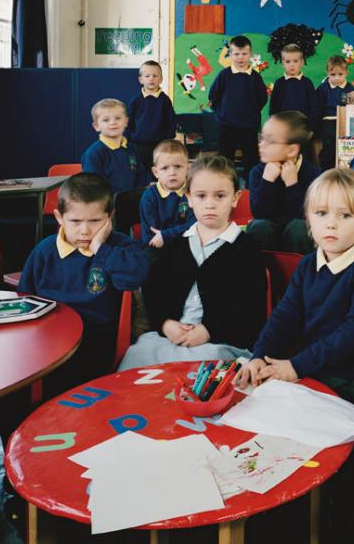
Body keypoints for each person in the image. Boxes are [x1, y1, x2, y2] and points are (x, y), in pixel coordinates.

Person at [0, 173, 150, 442]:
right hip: (44, 343)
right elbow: (25, 299)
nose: (85, 231)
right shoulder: (44, 251)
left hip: (92, 344)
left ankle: (58, 444)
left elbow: (134, 276)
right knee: (4, 391)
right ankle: (21, 451)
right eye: (75, 221)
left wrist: (102, 249)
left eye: (95, 221)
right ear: (59, 217)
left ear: (109, 218)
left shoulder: (119, 248)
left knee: (56, 394)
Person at [239, 168, 354, 409]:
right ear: (309, 218)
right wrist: (260, 355)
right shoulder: (308, 263)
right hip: (316, 367)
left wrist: (296, 366)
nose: (331, 224)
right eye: (321, 213)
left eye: (345, 215)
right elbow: (285, 314)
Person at [120, 154, 266, 369]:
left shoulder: (246, 250)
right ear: (188, 198)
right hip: (171, 336)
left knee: (200, 368)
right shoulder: (176, 245)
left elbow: (249, 307)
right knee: (138, 354)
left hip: (218, 342)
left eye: (220, 196)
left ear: (235, 198)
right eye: (201, 196)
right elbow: (155, 290)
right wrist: (166, 323)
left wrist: (208, 331)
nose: (210, 204)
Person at [245, 111, 321, 254]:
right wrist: (267, 181)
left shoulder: (313, 174)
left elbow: (307, 216)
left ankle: (301, 274)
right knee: (260, 226)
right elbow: (259, 213)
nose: (261, 144)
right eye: (261, 138)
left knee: (299, 228)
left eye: (269, 141)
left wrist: (292, 184)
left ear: (291, 150)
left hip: (296, 234)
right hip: (268, 230)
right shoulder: (257, 172)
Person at [81, 98, 146, 233]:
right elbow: (93, 187)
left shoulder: (132, 149)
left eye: (118, 118)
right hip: (107, 209)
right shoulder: (94, 153)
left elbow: (141, 175)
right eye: (106, 120)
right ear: (96, 126)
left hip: (132, 204)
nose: (113, 123)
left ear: (126, 121)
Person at [207, 35, 268, 174]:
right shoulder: (224, 75)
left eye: (244, 54)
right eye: (236, 54)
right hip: (227, 124)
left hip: (249, 125)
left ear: (250, 55)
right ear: (230, 54)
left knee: (251, 157)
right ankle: (224, 184)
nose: (240, 57)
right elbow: (213, 95)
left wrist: (251, 111)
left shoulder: (255, 77)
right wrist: (222, 112)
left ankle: (250, 185)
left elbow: (262, 98)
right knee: (225, 158)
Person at [138, 139, 195, 248]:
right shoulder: (149, 197)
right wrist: (176, 233)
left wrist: (166, 235)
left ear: (187, 169)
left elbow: (194, 226)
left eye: (178, 167)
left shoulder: (193, 192)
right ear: (156, 172)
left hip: (187, 246)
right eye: (165, 168)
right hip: (156, 248)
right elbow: (151, 236)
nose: (172, 173)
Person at [126, 60, 177, 173]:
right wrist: (128, 139)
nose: (151, 79)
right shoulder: (136, 100)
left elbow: (171, 121)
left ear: (161, 79)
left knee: (157, 171)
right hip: (137, 145)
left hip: (159, 145)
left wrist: (167, 140)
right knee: (138, 171)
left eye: (155, 76)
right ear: (141, 79)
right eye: (147, 76)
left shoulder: (164, 100)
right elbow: (128, 122)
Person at [314, 55, 354, 170]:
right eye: (333, 75)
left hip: (345, 121)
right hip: (328, 121)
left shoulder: (350, 88)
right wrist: (316, 128)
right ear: (327, 73)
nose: (337, 78)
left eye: (340, 74)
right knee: (329, 147)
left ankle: (344, 170)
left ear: (346, 73)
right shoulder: (322, 88)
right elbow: (317, 109)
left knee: (344, 147)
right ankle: (326, 171)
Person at [269, 43, 316, 119]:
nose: (292, 65)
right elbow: (273, 107)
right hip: (283, 124)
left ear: (302, 62)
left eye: (295, 61)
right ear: (282, 63)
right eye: (288, 61)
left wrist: (310, 125)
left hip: (302, 124)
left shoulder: (307, 83)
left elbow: (313, 107)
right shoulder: (279, 83)